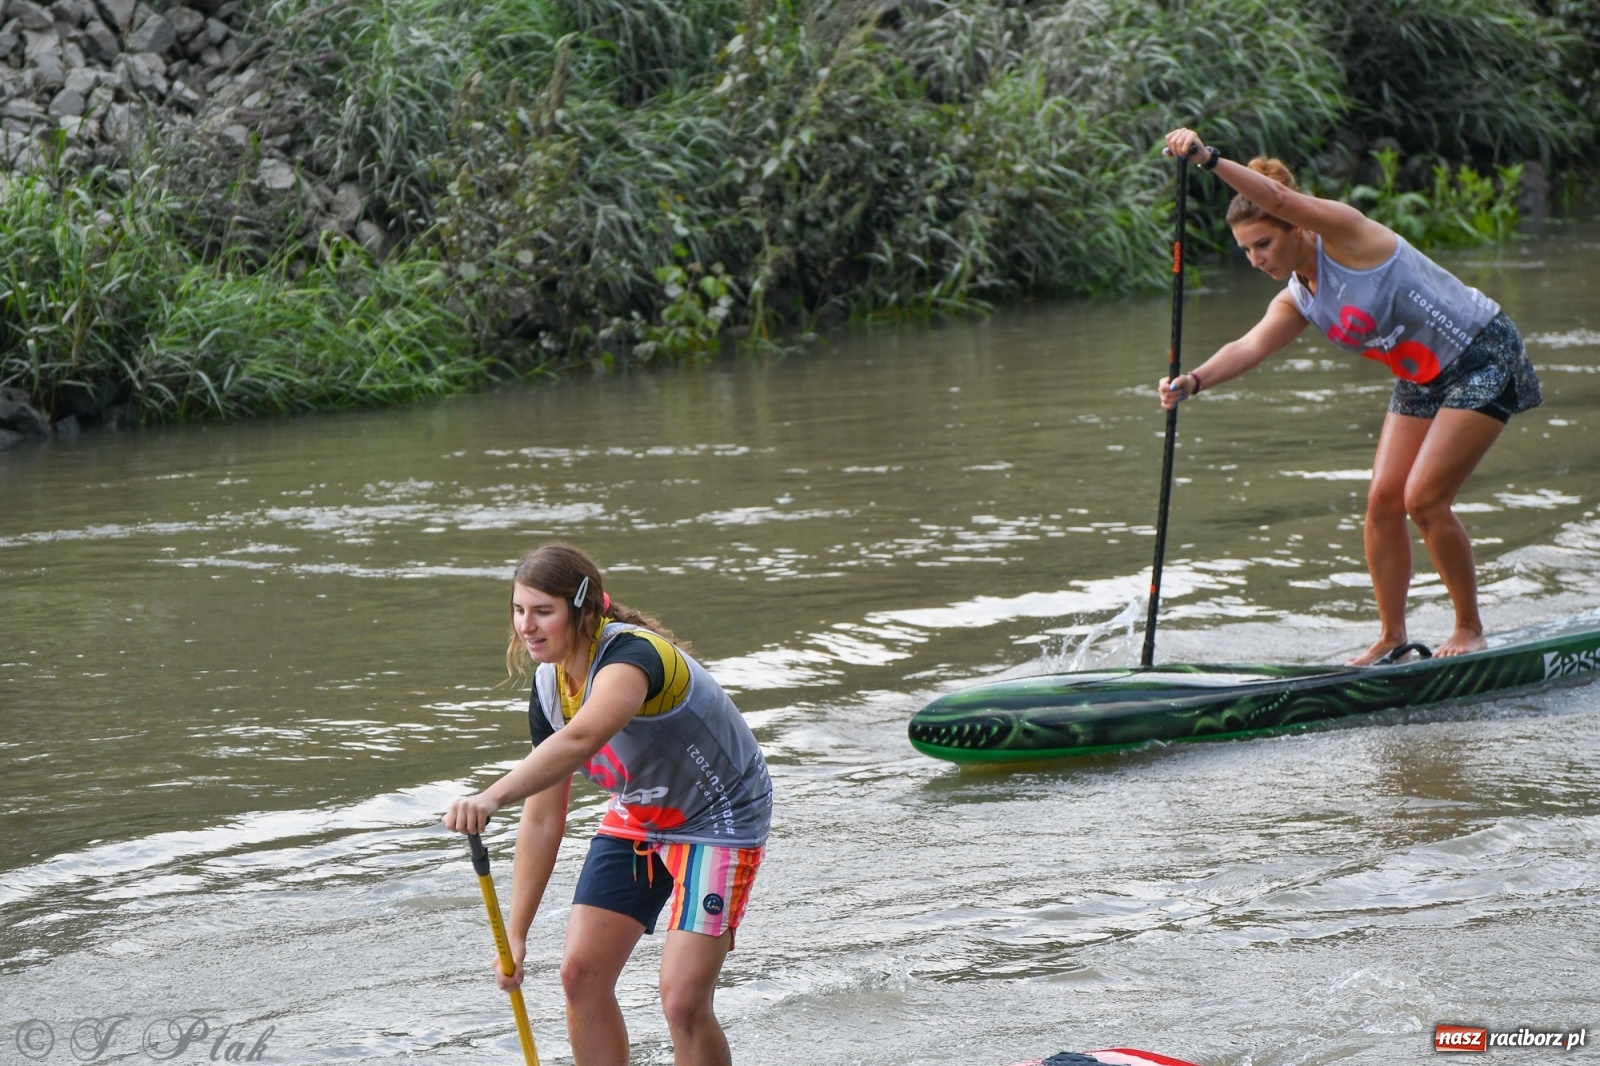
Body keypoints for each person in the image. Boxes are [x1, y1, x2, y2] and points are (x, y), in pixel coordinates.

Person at [1157, 127, 1542, 665]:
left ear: (1296, 228)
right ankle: (1391, 637)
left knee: (1423, 499)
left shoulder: (1347, 235)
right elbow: (1250, 346)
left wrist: (1209, 159)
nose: (1256, 260)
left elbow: (1279, 198)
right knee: (1383, 502)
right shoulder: (1298, 298)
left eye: (1264, 244)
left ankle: (1469, 628)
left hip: (1481, 353)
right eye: (1245, 251)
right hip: (1423, 377)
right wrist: (1192, 381)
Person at [443, 543, 773, 1066]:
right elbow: (543, 817)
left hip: (719, 817)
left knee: (682, 1000)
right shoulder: (549, 688)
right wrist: (516, 935)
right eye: (518, 609)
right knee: (580, 975)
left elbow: (581, 740)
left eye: (543, 611)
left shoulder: (632, 659)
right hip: (642, 813)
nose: (526, 626)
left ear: (583, 611)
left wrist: (490, 796)